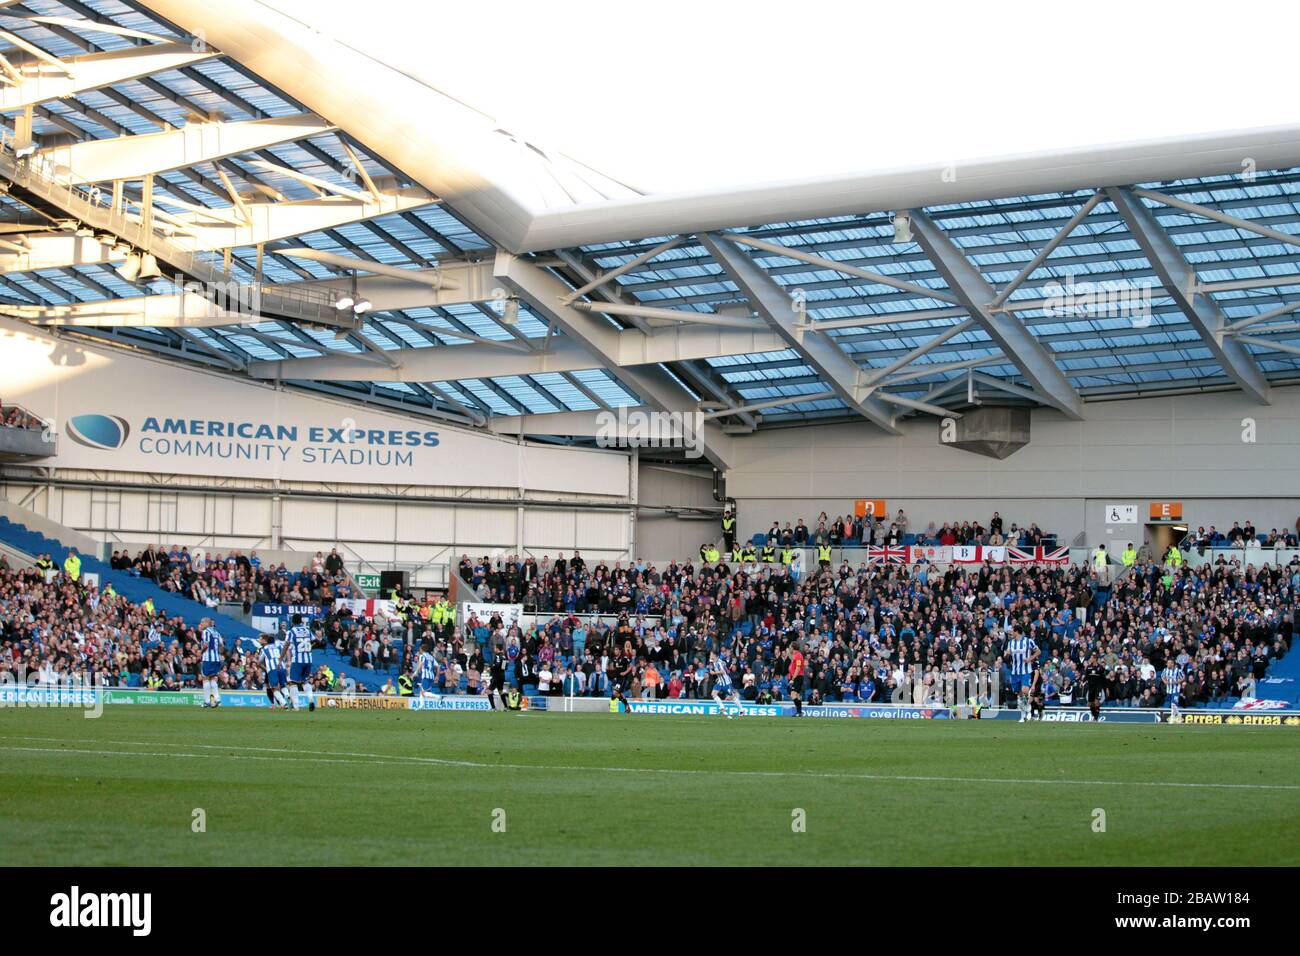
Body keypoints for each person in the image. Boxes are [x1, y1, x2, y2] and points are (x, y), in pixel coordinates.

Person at [283, 613, 316, 712]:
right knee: (305, 681)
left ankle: (296, 706)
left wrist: (281, 659)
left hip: (297, 660)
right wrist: (309, 648)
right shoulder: (307, 630)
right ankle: (310, 699)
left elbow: (286, 645)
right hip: (308, 660)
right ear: (301, 621)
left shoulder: (291, 631)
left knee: (293, 682)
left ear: (292, 621)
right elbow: (315, 640)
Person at [258, 632, 287, 708]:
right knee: (281, 685)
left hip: (271, 669)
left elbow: (259, 662)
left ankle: (282, 703)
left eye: (260, 639)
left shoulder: (264, 649)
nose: (259, 640)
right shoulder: (279, 646)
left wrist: (265, 669)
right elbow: (285, 654)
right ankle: (284, 698)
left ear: (266, 641)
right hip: (280, 667)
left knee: (273, 687)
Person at [199, 617, 223, 708]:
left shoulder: (206, 632)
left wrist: (201, 652)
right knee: (213, 678)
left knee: (205, 678)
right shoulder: (216, 632)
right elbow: (222, 646)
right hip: (216, 659)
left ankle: (207, 701)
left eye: (202, 622)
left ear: (206, 623)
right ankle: (217, 699)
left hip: (208, 659)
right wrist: (217, 653)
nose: (201, 624)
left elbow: (206, 644)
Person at [709, 652, 742, 718]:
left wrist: (714, 673)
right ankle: (722, 707)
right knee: (713, 694)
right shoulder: (714, 662)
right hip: (720, 682)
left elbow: (723, 671)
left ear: (715, 656)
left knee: (733, 697)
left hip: (726, 683)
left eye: (711, 654)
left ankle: (741, 710)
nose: (710, 656)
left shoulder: (719, 663)